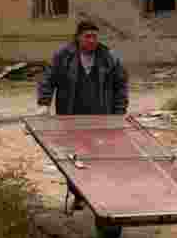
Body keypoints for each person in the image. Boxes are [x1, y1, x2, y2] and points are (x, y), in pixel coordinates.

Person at [36, 19, 129, 210]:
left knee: (99, 156)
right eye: (87, 36)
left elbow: (121, 85)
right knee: (74, 158)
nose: (92, 40)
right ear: (78, 37)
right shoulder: (63, 56)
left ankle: (98, 195)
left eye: (95, 36)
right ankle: (78, 195)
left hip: (100, 116)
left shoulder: (108, 57)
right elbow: (48, 79)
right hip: (71, 115)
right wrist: (44, 103)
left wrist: (119, 112)